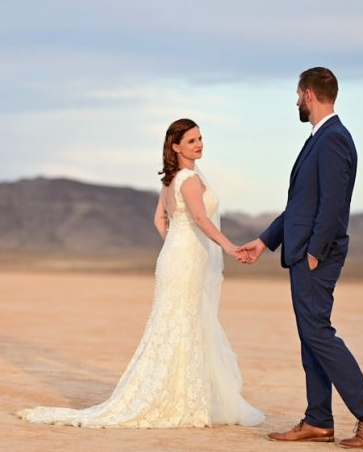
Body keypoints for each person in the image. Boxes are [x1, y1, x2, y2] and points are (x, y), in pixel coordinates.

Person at [16, 118, 264, 428]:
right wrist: (228, 246)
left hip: (177, 257)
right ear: (175, 146)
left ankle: (185, 396)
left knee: (177, 324)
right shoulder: (188, 180)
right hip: (184, 259)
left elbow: (159, 221)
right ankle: (181, 400)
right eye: (191, 141)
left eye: (200, 138)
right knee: (183, 324)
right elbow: (200, 219)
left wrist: (175, 244)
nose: (199, 144)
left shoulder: (170, 180)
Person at [240, 67, 363, 448]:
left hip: (315, 255)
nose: (296, 101)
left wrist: (313, 252)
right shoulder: (321, 138)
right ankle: (319, 420)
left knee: (318, 333)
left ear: (308, 94)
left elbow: (332, 205)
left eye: (297, 94)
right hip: (302, 251)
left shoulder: (333, 139)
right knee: (311, 334)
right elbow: (300, 206)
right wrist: (264, 241)